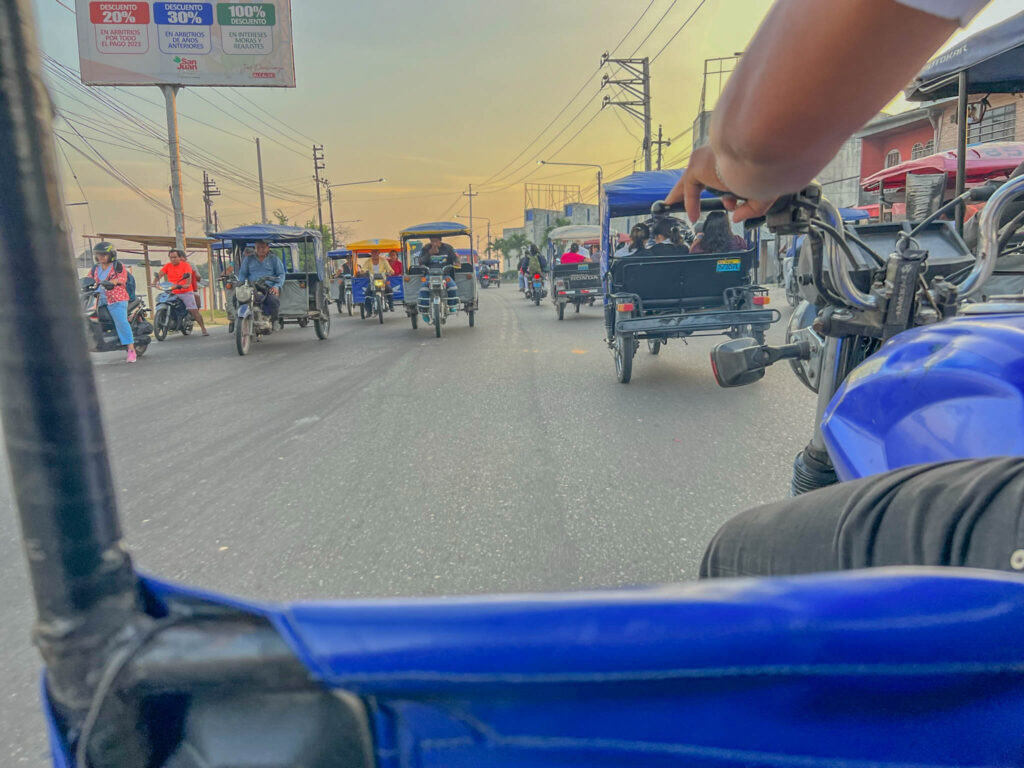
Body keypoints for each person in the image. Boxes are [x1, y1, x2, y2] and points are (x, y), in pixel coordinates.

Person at [660, 0, 996, 578]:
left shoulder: (675, 240)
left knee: (734, 552)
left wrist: (736, 160)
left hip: (999, 524)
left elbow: (759, 142)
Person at [89, 242, 138, 363]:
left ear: (111, 254)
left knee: (121, 322)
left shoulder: (117, 265)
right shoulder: (96, 268)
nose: (101, 257)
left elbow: (121, 278)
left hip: (116, 298)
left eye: (104, 255)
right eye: (99, 255)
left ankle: (131, 350)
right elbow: (89, 279)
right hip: (98, 298)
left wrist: (113, 282)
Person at [154, 248, 209, 336]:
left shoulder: (186, 265)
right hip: (172, 291)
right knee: (162, 300)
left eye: (175, 257)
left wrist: (186, 284)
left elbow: (189, 278)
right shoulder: (167, 266)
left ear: (180, 257)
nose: (173, 259)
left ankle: (203, 328)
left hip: (185, 291)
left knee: (193, 310)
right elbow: (160, 274)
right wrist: (154, 282)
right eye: (171, 257)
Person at [237, 239, 285, 322]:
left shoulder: (274, 259)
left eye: (263, 247)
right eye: (258, 247)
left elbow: (281, 274)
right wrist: (241, 285)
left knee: (273, 300)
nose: (260, 250)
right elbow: (242, 274)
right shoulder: (248, 259)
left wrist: (276, 286)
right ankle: (237, 320)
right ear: (255, 248)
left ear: (268, 248)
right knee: (236, 298)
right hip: (251, 287)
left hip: (268, 287)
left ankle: (273, 321)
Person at [418, 235, 459, 323]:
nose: (434, 243)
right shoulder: (426, 248)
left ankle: (452, 306)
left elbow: (456, 258)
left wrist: (457, 262)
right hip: (429, 275)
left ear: (440, 241)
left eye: (436, 241)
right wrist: (430, 253)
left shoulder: (448, 248)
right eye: (432, 241)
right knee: (423, 288)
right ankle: (424, 311)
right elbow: (420, 261)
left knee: (452, 287)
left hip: (444, 275)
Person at [360, 250, 395, 314]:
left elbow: (389, 269)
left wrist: (390, 271)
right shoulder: (368, 261)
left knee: (389, 290)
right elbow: (363, 268)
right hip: (372, 281)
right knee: (367, 293)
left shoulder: (384, 260)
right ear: (371, 253)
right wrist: (362, 271)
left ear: (379, 253)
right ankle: (369, 311)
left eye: (376, 252)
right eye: (373, 252)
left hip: (382, 281)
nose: (375, 254)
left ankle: (391, 306)